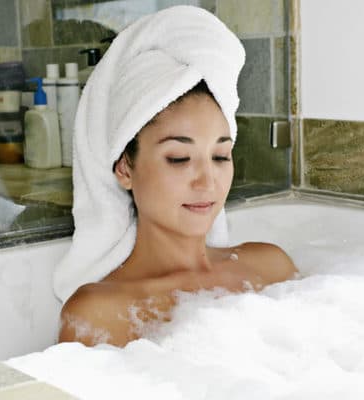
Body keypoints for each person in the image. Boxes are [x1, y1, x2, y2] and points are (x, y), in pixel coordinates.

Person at [56, 8, 297, 348]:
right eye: (179, 158)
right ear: (125, 168)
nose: (207, 182)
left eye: (220, 156)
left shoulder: (271, 267)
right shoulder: (102, 314)